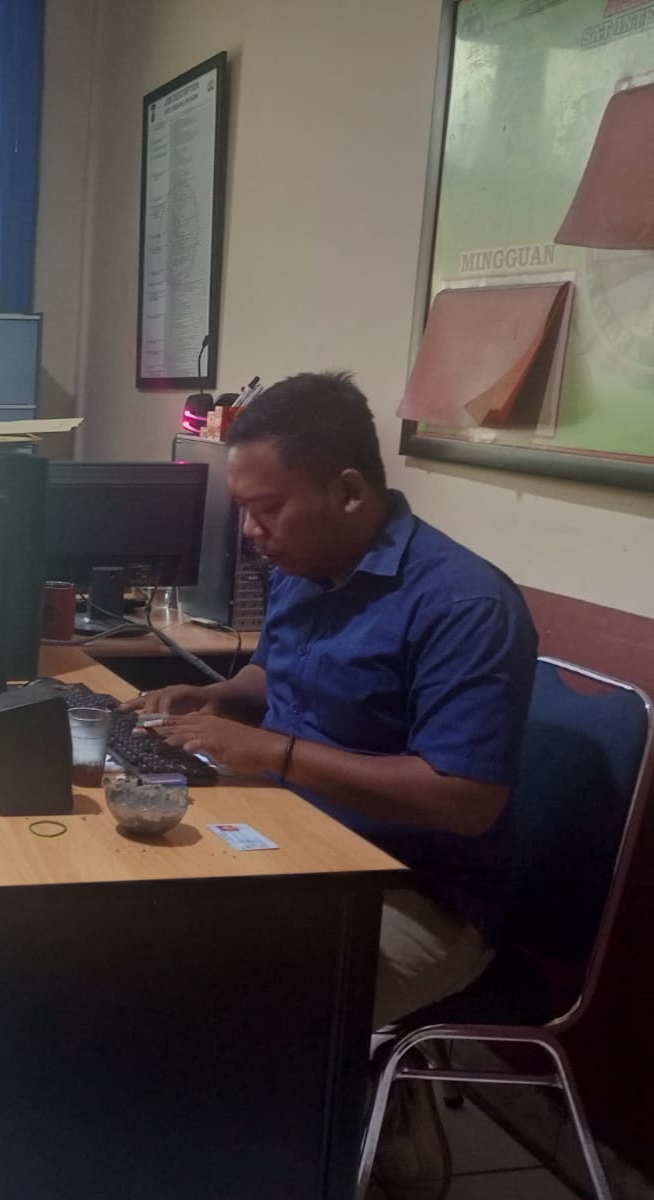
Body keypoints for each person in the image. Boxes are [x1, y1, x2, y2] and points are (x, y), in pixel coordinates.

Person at [130, 372, 538, 1197]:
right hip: (299, 839)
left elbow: (465, 799)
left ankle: (331, 1131)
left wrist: (273, 754)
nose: (252, 534)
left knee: (226, 1005)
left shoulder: (464, 604)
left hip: (422, 895)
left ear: (348, 492)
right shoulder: (306, 565)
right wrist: (220, 698)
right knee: (130, 929)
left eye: (267, 509)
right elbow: (278, 674)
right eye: (245, 511)